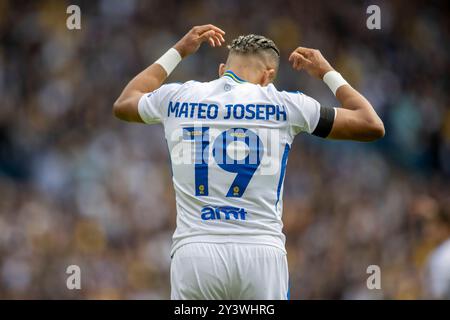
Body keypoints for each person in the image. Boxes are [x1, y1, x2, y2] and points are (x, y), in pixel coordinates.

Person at [113, 24, 384, 299]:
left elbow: (124, 103)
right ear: (269, 76)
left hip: (196, 253)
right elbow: (371, 124)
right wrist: (327, 72)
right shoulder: (286, 105)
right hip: (261, 253)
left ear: (221, 70)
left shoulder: (178, 97)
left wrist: (179, 51)